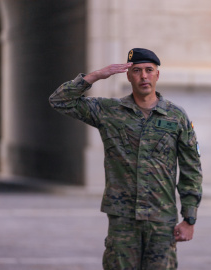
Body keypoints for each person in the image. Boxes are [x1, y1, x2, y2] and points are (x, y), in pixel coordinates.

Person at [49, 48, 202, 270]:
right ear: (128, 76)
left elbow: (192, 169)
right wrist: (94, 76)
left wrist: (189, 218)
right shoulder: (109, 111)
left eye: (149, 70)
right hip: (123, 220)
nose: (144, 76)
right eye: (137, 71)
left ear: (157, 75)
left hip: (161, 217)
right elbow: (59, 100)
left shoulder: (176, 117)